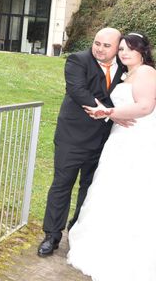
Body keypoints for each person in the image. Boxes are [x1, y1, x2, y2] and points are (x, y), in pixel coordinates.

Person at [67, 33, 156, 280]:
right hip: (118, 138)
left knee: (131, 191)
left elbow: (146, 107)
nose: (124, 54)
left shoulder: (147, 73)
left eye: (130, 50)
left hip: (137, 139)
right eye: (122, 50)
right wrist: (111, 113)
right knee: (111, 188)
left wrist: (108, 111)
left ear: (142, 52)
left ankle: (129, 253)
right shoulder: (127, 74)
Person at [37, 27, 124, 257]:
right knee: (62, 185)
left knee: (90, 188)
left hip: (105, 141)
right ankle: (52, 236)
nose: (100, 49)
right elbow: (78, 90)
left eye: (107, 45)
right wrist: (110, 110)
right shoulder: (78, 60)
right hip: (72, 138)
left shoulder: (125, 67)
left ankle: (77, 232)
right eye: (97, 43)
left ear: (118, 47)